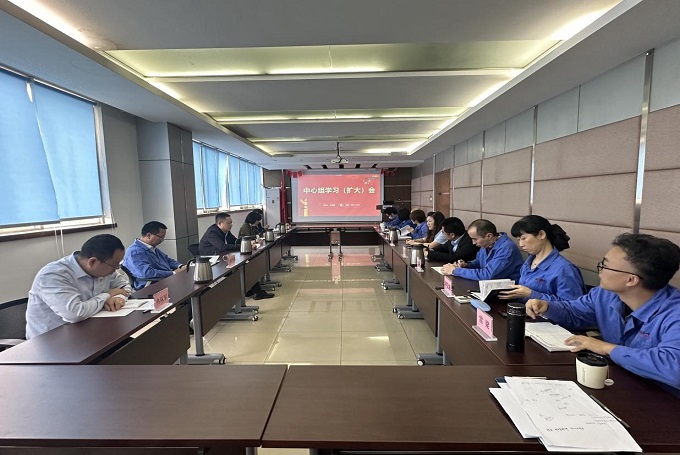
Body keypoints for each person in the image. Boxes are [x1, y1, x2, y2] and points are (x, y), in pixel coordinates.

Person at [526, 233, 680, 394]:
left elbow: (672, 367)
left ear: (631, 280)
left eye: (605, 266)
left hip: (664, 400)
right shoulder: (605, 294)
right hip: (618, 383)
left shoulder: (674, 313)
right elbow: (574, 313)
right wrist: (548, 307)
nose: (600, 271)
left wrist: (606, 348)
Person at [25, 234, 132, 339]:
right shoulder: (54, 275)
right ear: (92, 262)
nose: (116, 269)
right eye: (114, 265)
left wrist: (118, 298)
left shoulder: (105, 268)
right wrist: (107, 295)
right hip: (52, 341)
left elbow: (125, 287)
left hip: (90, 331)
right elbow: (75, 313)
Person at [499, 215, 586, 302]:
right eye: (519, 240)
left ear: (541, 235)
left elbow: (573, 306)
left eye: (523, 238)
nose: (521, 244)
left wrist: (531, 294)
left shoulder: (564, 269)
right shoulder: (528, 263)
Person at [199, 212, 273, 299]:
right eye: (228, 223)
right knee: (243, 268)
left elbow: (235, 241)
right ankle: (257, 292)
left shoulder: (225, 231)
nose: (231, 225)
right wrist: (242, 246)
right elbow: (223, 247)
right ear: (220, 223)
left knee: (245, 267)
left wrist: (248, 242)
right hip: (211, 262)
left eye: (231, 222)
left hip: (222, 258)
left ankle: (249, 290)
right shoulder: (212, 232)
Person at [442, 219, 523, 281]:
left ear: (488, 236)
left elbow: (488, 274)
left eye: (475, 239)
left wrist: (455, 271)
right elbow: (479, 262)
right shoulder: (487, 244)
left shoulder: (506, 249)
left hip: (506, 291)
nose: (473, 243)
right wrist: (467, 265)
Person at [122, 221, 186, 290]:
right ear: (149, 235)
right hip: (151, 287)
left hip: (165, 280)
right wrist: (173, 273)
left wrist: (180, 266)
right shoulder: (134, 252)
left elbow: (168, 260)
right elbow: (147, 273)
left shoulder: (151, 247)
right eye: (161, 237)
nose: (162, 240)